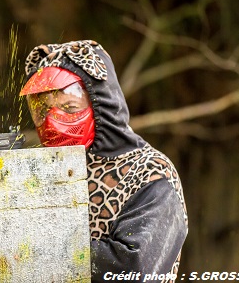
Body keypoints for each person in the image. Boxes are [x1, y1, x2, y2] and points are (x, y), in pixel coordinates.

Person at [20, 40, 188, 282]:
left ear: (101, 102)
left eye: (69, 106)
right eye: (43, 110)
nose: (52, 120)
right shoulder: (51, 171)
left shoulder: (151, 172)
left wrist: (41, 247)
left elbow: (133, 270)